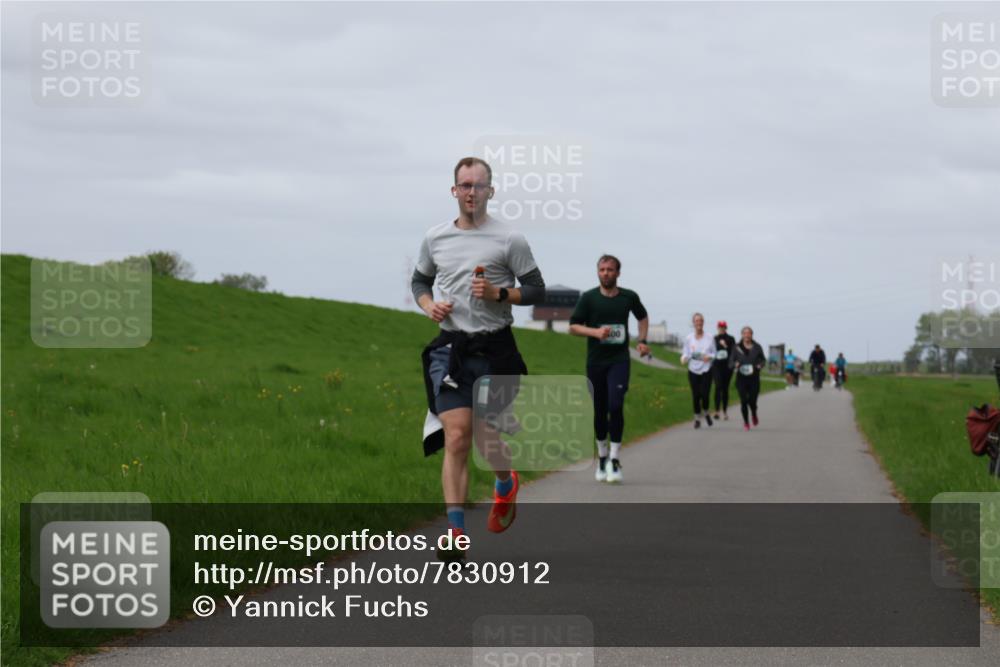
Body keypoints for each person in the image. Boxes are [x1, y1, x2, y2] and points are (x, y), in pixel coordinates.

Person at [412, 157, 546, 561]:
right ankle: (455, 533)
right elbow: (420, 279)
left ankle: (505, 482)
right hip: (451, 349)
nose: (472, 192)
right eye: (465, 185)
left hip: (496, 350)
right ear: (454, 190)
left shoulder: (509, 240)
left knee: (488, 440)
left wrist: (499, 295)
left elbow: (537, 290)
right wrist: (428, 304)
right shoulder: (435, 238)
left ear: (492, 190)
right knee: (456, 437)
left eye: (479, 185)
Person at [569, 255, 649, 484]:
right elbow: (573, 327)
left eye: (610, 270)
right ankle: (602, 456)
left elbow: (642, 317)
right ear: (598, 272)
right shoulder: (589, 298)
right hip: (595, 362)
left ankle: (614, 459)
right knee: (599, 410)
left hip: (619, 359)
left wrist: (642, 340)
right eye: (602, 269)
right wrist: (594, 332)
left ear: (618, 273)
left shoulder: (628, 297)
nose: (606, 273)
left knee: (615, 404)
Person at [681, 313, 716, 429]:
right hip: (693, 370)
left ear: (703, 322)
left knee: (705, 395)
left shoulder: (710, 337)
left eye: (700, 321)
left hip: (706, 370)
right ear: (693, 323)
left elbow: (714, 353)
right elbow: (686, 353)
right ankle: (697, 419)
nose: (699, 323)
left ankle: (706, 412)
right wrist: (684, 358)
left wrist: (709, 357)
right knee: (696, 395)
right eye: (696, 321)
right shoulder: (689, 338)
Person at [730, 326, 766, 431]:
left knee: (752, 401)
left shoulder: (757, 346)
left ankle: (754, 413)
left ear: (751, 335)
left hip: (754, 378)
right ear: (742, 335)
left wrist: (760, 365)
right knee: (744, 401)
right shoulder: (736, 347)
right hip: (741, 378)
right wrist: (734, 364)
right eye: (745, 333)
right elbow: (730, 361)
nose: (747, 335)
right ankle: (746, 422)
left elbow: (763, 360)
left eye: (749, 333)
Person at [712, 321, 736, 420]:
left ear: (726, 328)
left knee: (725, 389)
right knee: (718, 386)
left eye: (723, 327)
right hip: (716, 366)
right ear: (717, 328)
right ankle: (717, 411)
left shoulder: (730, 339)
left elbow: (734, 352)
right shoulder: (714, 339)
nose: (722, 329)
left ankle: (725, 411)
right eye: (720, 327)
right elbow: (710, 351)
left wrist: (725, 346)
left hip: (727, 367)